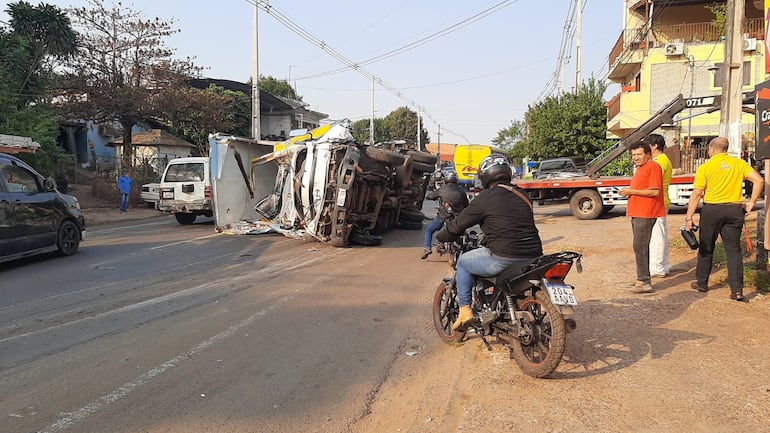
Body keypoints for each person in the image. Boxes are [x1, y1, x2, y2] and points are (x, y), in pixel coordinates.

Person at [438, 154, 543, 330]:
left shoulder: (484, 198)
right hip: (534, 255)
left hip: (505, 256)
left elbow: (458, 225)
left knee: (464, 262)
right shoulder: (522, 195)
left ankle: (465, 311)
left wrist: (442, 235)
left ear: (485, 175)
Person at [686, 137, 764, 301]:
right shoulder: (739, 164)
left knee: (706, 247)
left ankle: (702, 283)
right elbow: (759, 180)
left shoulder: (705, 167)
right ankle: (737, 291)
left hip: (712, 210)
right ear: (726, 149)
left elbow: (697, 194)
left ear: (711, 149)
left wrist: (689, 216)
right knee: (734, 251)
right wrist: (751, 203)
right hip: (734, 210)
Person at [619, 141, 665, 293]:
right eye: (633, 155)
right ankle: (641, 278)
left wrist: (631, 191)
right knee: (639, 246)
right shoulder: (641, 168)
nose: (636, 157)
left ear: (648, 154)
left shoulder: (652, 167)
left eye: (639, 154)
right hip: (639, 212)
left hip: (646, 212)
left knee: (640, 246)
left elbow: (654, 192)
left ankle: (644, 280)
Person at [421, 171, 469, 259]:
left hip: (443, 217)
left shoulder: (442, 189)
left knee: (429, 230)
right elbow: (466, 205)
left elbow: (430, 196)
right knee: (464, 233)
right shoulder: (461, 191)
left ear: (446, 180)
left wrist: (431, 197)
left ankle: (427, 248)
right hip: (457, 218)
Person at [644, 134, 672, 277]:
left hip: (658, 202)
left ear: (655, 146)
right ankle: (664, 266)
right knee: (661, 235)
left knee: (656, 237)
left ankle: (657, 268)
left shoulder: (659, 162)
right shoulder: (663, 159)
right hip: (663, 200)